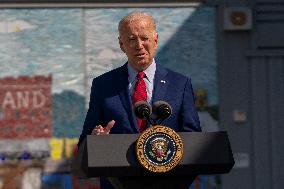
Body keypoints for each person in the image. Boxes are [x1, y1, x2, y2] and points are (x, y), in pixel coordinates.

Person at [78, 11, 201, 189]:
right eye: (131, 39)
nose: (139, 45)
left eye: (144, 38)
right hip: (118, 183)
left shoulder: (180, 84)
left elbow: (194, 141)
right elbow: (85, 141)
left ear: (156, 40)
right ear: (121, 44)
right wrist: (97, 140)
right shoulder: (103, 85)